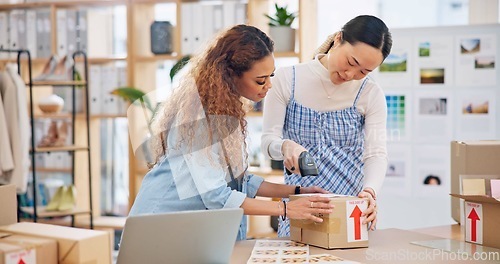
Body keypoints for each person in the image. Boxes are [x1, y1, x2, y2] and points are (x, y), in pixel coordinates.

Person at [128, 24, 334, 241]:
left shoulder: (225, 111)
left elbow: (239, 181)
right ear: (230, 75)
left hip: (184, 231)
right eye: (260, 80)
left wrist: (297, 192)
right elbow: (217, 196)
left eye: (270, 76)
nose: (269, 86)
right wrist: (286, 209)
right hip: (156, 229)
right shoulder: (198, 119)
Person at [261, 15, 393, 237]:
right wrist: (284, 147)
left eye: (364, 72)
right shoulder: (287, 80)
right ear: (339, 39)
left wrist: (370, 191)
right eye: (351, 62)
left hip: (350, 214)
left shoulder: (370, 93)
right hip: (299, 212)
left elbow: (376, 153)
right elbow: (267, 142)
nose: (351, 75)